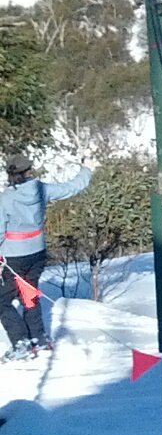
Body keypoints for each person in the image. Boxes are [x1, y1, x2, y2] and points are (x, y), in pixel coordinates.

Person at [0, 152, 92, 361]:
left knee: (2, 300)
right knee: (29, 294)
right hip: (37, 253)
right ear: (28, 171)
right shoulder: (41, 189)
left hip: (13, 257)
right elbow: (72, 187)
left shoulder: (5, 199)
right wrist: (87, 170)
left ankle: (21, 342)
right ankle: (39, 338)